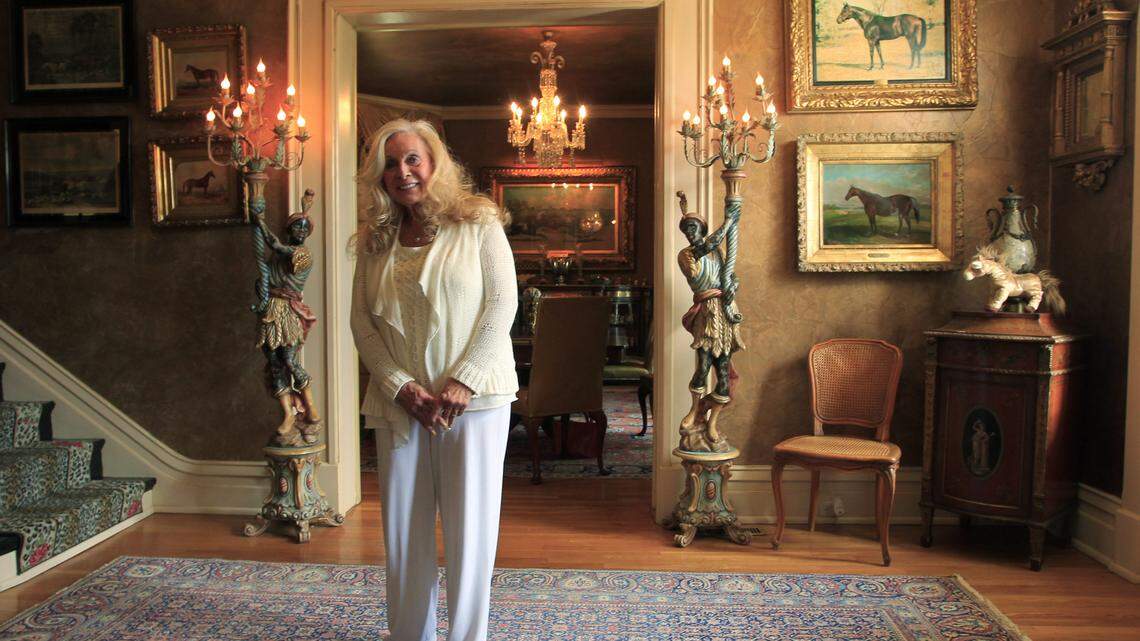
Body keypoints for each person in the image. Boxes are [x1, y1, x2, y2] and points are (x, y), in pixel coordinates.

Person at [351, 119, 518, 641]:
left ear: (434, 162)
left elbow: (501, 303)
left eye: (412, 159)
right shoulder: (375, 240)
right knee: (403, 535)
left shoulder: (478, 220)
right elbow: (362, 322)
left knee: (470, 534)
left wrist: (463, 380)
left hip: (475, 401)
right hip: (399, 403)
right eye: (390, 163)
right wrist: (400, 385)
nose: (402, 172)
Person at [675, 191, 744, 453]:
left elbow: (731, 276)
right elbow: (708, 245)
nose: (689, 233)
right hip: (706, 312)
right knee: (703, 367)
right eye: (686, 230)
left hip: (724, 312)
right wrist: (728, 222)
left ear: (701, 228)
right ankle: (695, 411)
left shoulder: (717, 252)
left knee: (723, 375)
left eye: (693, 228)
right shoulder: (687, 255)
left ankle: (712, 422)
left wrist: (732, 286)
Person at [253, 189, 320, 446]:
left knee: (289, 359)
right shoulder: (277, 259)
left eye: (305, 228)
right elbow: (267, 277)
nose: (301, 231)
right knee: (274, 363)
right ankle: (288, 414)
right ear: (290, 228)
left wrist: (259, 221)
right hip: (272, 309)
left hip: (289, 310)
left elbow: (275, 246)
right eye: (297, 226)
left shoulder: (303, 255)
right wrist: (260, 288)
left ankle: (311, 409)